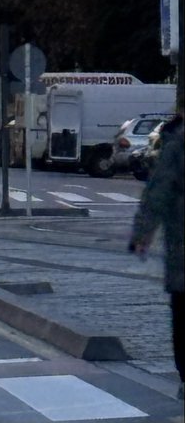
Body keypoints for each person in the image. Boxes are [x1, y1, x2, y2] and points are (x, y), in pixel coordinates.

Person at [129, 99, 184, 401]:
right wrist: (143, 231)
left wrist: (143, 233)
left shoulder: (176, 143)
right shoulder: (176, 144)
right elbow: (160, 190)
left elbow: (158, 190)